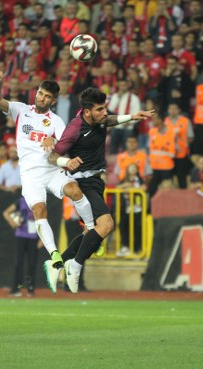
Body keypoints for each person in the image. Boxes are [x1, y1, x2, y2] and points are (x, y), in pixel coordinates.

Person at [46, 87, 155, 293]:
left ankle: (57, 264)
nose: (104, 112)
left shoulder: (99, 118)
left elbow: (109, 120)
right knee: (106, 225)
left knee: (91, 232)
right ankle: (74, 266)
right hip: (82, 182)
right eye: (99, 109)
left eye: (104, 108)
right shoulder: (74, 128)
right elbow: (52, 156)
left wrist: (132, 116)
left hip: (96, 181)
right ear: (87, 112)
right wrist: (66, 161)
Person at [0, 70, 96, 282]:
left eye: (47, 96)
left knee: (75, 190)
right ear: (36, 93)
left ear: (53, 100)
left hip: (51, 170)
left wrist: (54, 142)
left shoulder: (55, 121)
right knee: (40, 210)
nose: (42, 98)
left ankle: (93, 231)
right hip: (30, 175)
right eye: (40, 93)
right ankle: (54, 254)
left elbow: (67, 146)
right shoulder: (21, 110)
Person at [3, 196, 41, 297]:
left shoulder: (39, 200)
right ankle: (17, 289)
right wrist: (12, 221)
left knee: (31, 264)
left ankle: (30, 290)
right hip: (21, 236)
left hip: (33, 237)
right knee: (18, 264)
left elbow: (43, 219)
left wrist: (42, 239)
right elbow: (6, 212)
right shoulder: (21, 201)